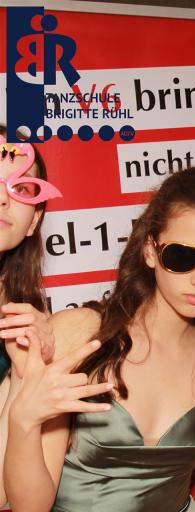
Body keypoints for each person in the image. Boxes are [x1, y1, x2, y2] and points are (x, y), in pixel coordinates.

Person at [4, 166, 195, 511]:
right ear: (150, 250)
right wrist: (22, 420)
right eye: (183, 256)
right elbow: (30, 506)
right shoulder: (78, 334)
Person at [0, 130, 63, 509]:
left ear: (34, 219)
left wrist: (24, 374)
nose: (3, 198)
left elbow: (5, 492)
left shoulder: (28, 323)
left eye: (21, 188)